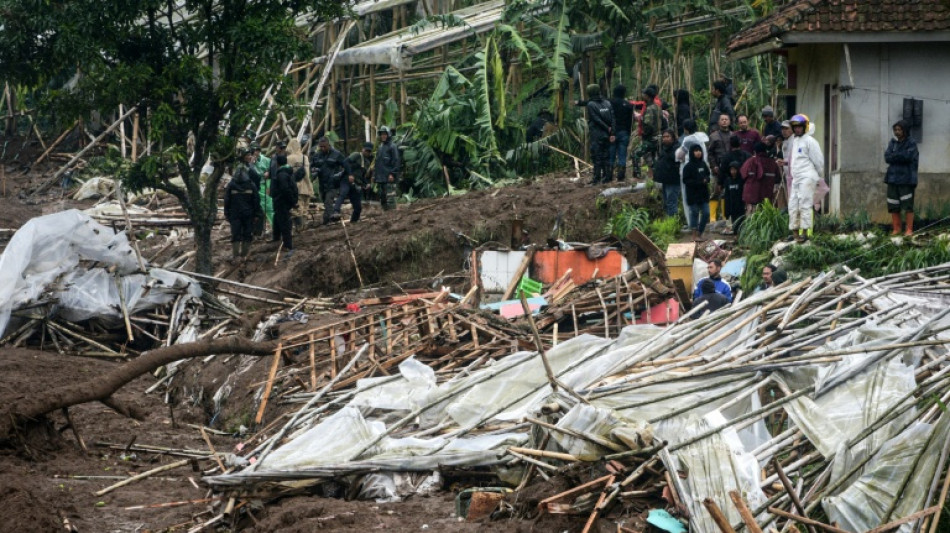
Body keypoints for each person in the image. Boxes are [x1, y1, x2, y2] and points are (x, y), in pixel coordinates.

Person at [783, 114, 824, 242]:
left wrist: (817, 177)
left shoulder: (810, 141)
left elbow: (819, 162)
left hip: (807, 176)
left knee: (805, 204)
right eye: (795, 127)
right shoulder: (795, 141)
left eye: (800, 127)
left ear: (805, 127)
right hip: (796, 178)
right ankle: (795, 232)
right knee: (793, 205)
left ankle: (805, 232)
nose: (797, 130)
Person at [224, 148, 263, 261]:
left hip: (235, 214)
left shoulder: (231, 185)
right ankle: (244, 255)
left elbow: (227, 200)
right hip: (248, 213)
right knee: (247, 233)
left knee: (235, 234)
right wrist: (256, 214)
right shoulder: (251, 185)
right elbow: (256, 200)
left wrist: (227, 213)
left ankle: (236, 255)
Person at [884, 119, 919, 236]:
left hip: (906, 179)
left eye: (899, 130)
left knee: (907, 205)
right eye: (895, 130)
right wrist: (898, 156)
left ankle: (909, 230)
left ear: (905, 130)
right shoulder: (892, 143)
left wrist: (895, 156)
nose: (897, 132)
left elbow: (908, 157)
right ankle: (896, 229)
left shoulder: (911, 143)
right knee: (893, 204)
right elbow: (887, 157)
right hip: (892, 179)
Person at [576, 84, 615, 184]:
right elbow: (613, 118)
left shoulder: (591, 104)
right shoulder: (607, 103)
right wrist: (611, 131)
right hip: (607, 134)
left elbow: (595, 119)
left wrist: (607, 128)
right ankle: (607, 176)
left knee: (597, 156)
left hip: (597, 134)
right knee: (606, 155)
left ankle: (597, 178)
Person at [310, 137, 353, 224]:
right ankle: (327, 219)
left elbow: (346, 164)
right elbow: (311, 166)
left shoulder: (336, 154)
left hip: (333, 183)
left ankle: (330, 219)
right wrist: (314, 170)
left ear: (328, 145)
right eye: (321, 147)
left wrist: (350, 175)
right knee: (325, 202)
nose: (322, 148)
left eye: (324, 146)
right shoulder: (317, 155)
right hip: (322, 184)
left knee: (328, 201)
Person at [333, 143, 372, 224]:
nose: (367, 152)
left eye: (369, 151)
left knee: (358, 207)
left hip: (356, 184)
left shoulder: (367, 162)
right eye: (366, 150)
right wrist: (350, 174)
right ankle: (335, 212)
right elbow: (345, 162)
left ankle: (353, 222)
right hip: (347, 179)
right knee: (343, 194)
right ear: (363, 149)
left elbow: (362, 176)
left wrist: (366, 184)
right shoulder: (357, 155)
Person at [269, 154, 298, 258]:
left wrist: (292, 202)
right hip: (282, 202)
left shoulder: (281, 175)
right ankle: (276, 237)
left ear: (277, 163)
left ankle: (288, 245)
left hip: (282, 202)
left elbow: (285, 190)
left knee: (285, 222)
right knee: (277, 218)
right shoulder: (287, 173)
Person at [683, 144, 711, 242]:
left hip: (703, 194)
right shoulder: (688, 166)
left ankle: (700, 232)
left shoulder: (703, 164)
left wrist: (706, 180)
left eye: (699, 150)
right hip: (692, 195)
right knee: (694, 213)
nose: (698, 152)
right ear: (692, 152)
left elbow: (708, 175)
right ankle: (694, 236)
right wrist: (699, 182)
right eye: (696, 150)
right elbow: (685, 180)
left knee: (706, 213)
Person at [707, 114, 733, 222]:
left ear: (730, 122)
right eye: (722, 119)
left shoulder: (733, 135)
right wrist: (713, 166)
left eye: (726, 119)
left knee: (726, 193)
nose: (724, 121)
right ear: (718, 122)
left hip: (729, 169)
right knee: (715, 191)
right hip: (717, 168)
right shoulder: (713, 136)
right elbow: (709, 153)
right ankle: (712, 217)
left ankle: (724, 216)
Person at [741, 142, 780, 214]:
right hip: (767, 198)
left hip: (751, 197)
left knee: (752, 217)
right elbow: (778, 178)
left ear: (754, 151)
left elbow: (742, 175)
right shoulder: (772, 163)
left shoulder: (750, 162)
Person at [632, 86, 661, 181]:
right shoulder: (657, 107)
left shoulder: (649, 109)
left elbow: (648, 125)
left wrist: (644, 134)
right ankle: (654, 177)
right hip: (658, 137)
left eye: (644, 94)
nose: (642, 95)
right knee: (653, 158)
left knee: (636, 153)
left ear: (647, 96)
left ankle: (637, 176)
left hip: (650, 139)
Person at [608, 85, 635, 182]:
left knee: (611, 153)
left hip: (612, 133)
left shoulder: (609, 103)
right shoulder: (629, 105)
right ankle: (621, 175)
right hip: (624, 132)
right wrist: (629, 132)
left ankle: (609, 175)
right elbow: (630, 121)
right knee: (622, 154)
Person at [286, 138, 313, 231]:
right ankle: (303, 227)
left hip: (296, 186)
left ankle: (299, 227)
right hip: (307, 186)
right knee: (305, 208)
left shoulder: (289, 159)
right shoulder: (305, 158)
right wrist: (310, 187)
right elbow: (307, 173)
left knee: (297, 209)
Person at [653, 129, 681, 217]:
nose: (665, 139)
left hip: (673, 180)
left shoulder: (677, 148)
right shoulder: (664, 148)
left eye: (668, 137)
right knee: (666, 202)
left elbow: (676, 159)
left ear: (673, 138)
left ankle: (673, 224)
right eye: (664, 137)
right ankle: (669, 223)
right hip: (665, 180)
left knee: (671, 202)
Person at [374, 126, 401, 210]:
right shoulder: (380, 147)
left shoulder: (392, 146)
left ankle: (392, 216)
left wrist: (392, 174)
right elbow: (377, 162)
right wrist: (374, 175)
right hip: (381, 178)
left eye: (385, 134)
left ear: (388, 135)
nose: (383, 136)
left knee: (391, 198)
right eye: (382, 134)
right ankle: (385, 216)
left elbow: (396, 161)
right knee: (383, 198)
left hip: (389, 177)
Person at [250, 142, 273, 236]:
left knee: (269, 207)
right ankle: (257, 231)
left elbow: (270, 173)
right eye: (255, 151)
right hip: (253, 187)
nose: (256, 152)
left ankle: (274, 227)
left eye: (258, 150)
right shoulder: (249, 161)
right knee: (255, 209)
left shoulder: (266, 160)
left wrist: (268, 186)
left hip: (263, 186)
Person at [723, 161, 746, 235]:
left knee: (741, 224)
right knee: (735, 225)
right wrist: (726, 210)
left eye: (735, 169)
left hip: (740, 206)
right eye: (731, 170)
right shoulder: (728, 181)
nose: (733, 172)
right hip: (732, 207)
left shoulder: (741, 180)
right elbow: (727, 195)